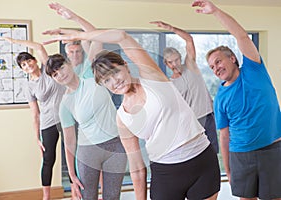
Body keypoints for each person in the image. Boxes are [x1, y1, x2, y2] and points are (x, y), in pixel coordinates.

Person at [43, 28, 221, 200]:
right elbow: (136, 167)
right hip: (166, 173)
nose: (115, 82)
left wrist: (79, 35)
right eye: (107, 80)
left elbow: (122, 36)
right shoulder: (122, 118)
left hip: (202, 161)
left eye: (115, 72)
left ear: (125, 66)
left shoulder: (152, 77)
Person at [192, 1, 281, 200]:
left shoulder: (254, 69)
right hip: (241, 154)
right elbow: (224, 135)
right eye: (212, 67)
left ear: (232, 58)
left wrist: (215, 11)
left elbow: (241, 35)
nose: (215, 68)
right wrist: (229, 169)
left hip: (272, 149)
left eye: (218, 61)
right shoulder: (220, 98)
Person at [46, 4, 127, 200]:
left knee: (112, 197)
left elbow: (95, 35)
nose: (60, 75)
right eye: (55, 74)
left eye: (61, 68)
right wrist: (72, 175)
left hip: (116, 145)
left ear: (68, 64)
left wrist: (73, 17)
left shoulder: (90, 73)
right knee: (87, 196)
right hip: (88, 152)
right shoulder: (65, 103)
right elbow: (70, 141)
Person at [2, 37, 65, 200]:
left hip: (67, 118)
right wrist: (37, 137)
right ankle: (46, 196)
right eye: (23, 65)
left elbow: (38, 46)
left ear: (35, 61)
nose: (27, 65)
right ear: (23, 69)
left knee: (77, 154)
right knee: (48, 159)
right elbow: (34, 113)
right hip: (48, 123)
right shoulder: (28, 86)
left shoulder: (48, 70)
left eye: (29, 61)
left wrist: (15, 42)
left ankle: (76, 192)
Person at [150, 21, 219, 153]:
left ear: (180, 58)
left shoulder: (191, 66)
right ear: (166, 63)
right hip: (190, 122)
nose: (175, 64)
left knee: (212, 152)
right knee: (195, 155)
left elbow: (189, 39)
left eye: (177, 59)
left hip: (206, 116)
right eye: (171, 62)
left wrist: (171, 28)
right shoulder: (170, 84)